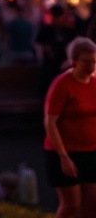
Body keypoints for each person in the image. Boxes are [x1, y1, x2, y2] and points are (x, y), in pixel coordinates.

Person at [43, 36, 96, 218]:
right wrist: (63, 155)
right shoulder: (62, 84)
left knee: (92, 204)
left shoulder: (94, 83)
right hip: (65, 152)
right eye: (86, 61)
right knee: (71, 205)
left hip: (90, 150)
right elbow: (50, 122)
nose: (91, 65)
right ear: (73, 61)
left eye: (94, 61)